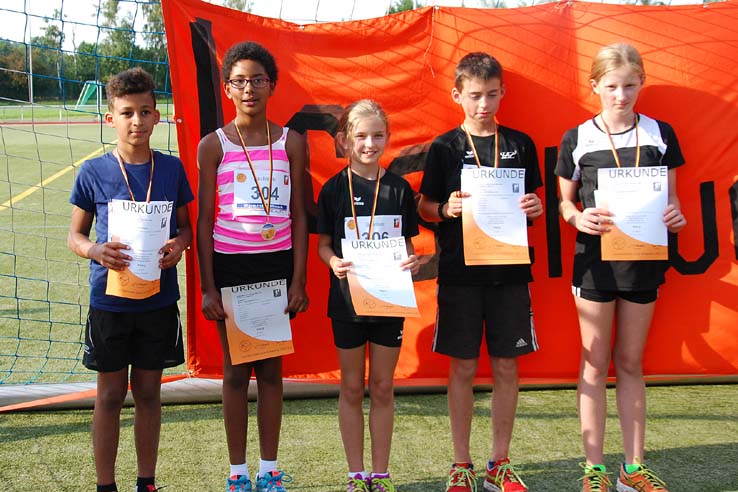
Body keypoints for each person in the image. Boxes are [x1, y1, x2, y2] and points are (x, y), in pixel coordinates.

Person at [555, 42, 687, 492]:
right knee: (594, 364)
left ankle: (633, 470)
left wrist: (676, 216)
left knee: (630, 362)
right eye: (612, 86)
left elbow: (672, 199)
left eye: (630, 85)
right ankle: (594, 470)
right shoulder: (577, 137)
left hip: (643, 261)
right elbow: (565, 203)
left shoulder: (660, 133)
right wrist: (577, 217)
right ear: (595, 86)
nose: (621, 95)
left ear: (641, 83)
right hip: (594, 265)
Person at [418, 52, 543, 492]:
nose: (483, 104)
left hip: (509, 272)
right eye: (475, 96)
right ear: (457, 95)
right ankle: (461, 464)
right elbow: (424, 206)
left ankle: (499, 464)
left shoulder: (521, 144)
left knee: (507, 366)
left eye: (491, 94)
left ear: (502, 92)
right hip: (461, 274)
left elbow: (533, 203)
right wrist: (445, 209)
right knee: (463, 368)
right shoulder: (444, 147)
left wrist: (534, 206)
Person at [67, 67, 193, 492]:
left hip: (158, 300)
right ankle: (106, 485)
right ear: (111, 119)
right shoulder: (93, 171)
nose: (136, 121)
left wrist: (178, 245)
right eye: (126, 113)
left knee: (149, 393)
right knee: (108, 395)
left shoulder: (171, 169)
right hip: (110, 302)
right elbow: (75, 236)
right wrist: (95, 251)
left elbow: (185, 228)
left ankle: (146, 482)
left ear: (157, 116)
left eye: (144, 112)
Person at [196, 41, 309, 492]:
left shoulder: (292, 142)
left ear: (272, 85)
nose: (249, 89)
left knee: (271, 373)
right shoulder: (214, 145)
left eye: (257, 80)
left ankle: (269, 470)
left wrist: (298, 280)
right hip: (231, 268)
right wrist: (207, 288)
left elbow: (300, 216)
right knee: (235, 372)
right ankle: (237, 473)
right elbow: (204, 221)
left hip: (276, 268)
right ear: (227, 88)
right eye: (239, 81)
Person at [317, 100, 420, 492]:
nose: (369, 144)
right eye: (361, 136)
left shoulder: (399, 188)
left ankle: (381, 473)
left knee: (382, 386)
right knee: (350, 386)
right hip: (348, 302)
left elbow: (407, 243)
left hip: (389, 300)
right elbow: (324, 245)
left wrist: (410, 259)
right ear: (345, 140)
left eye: (378, 135)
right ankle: (356, 474)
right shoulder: (333, 189)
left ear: (388, 138)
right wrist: (332, 262)